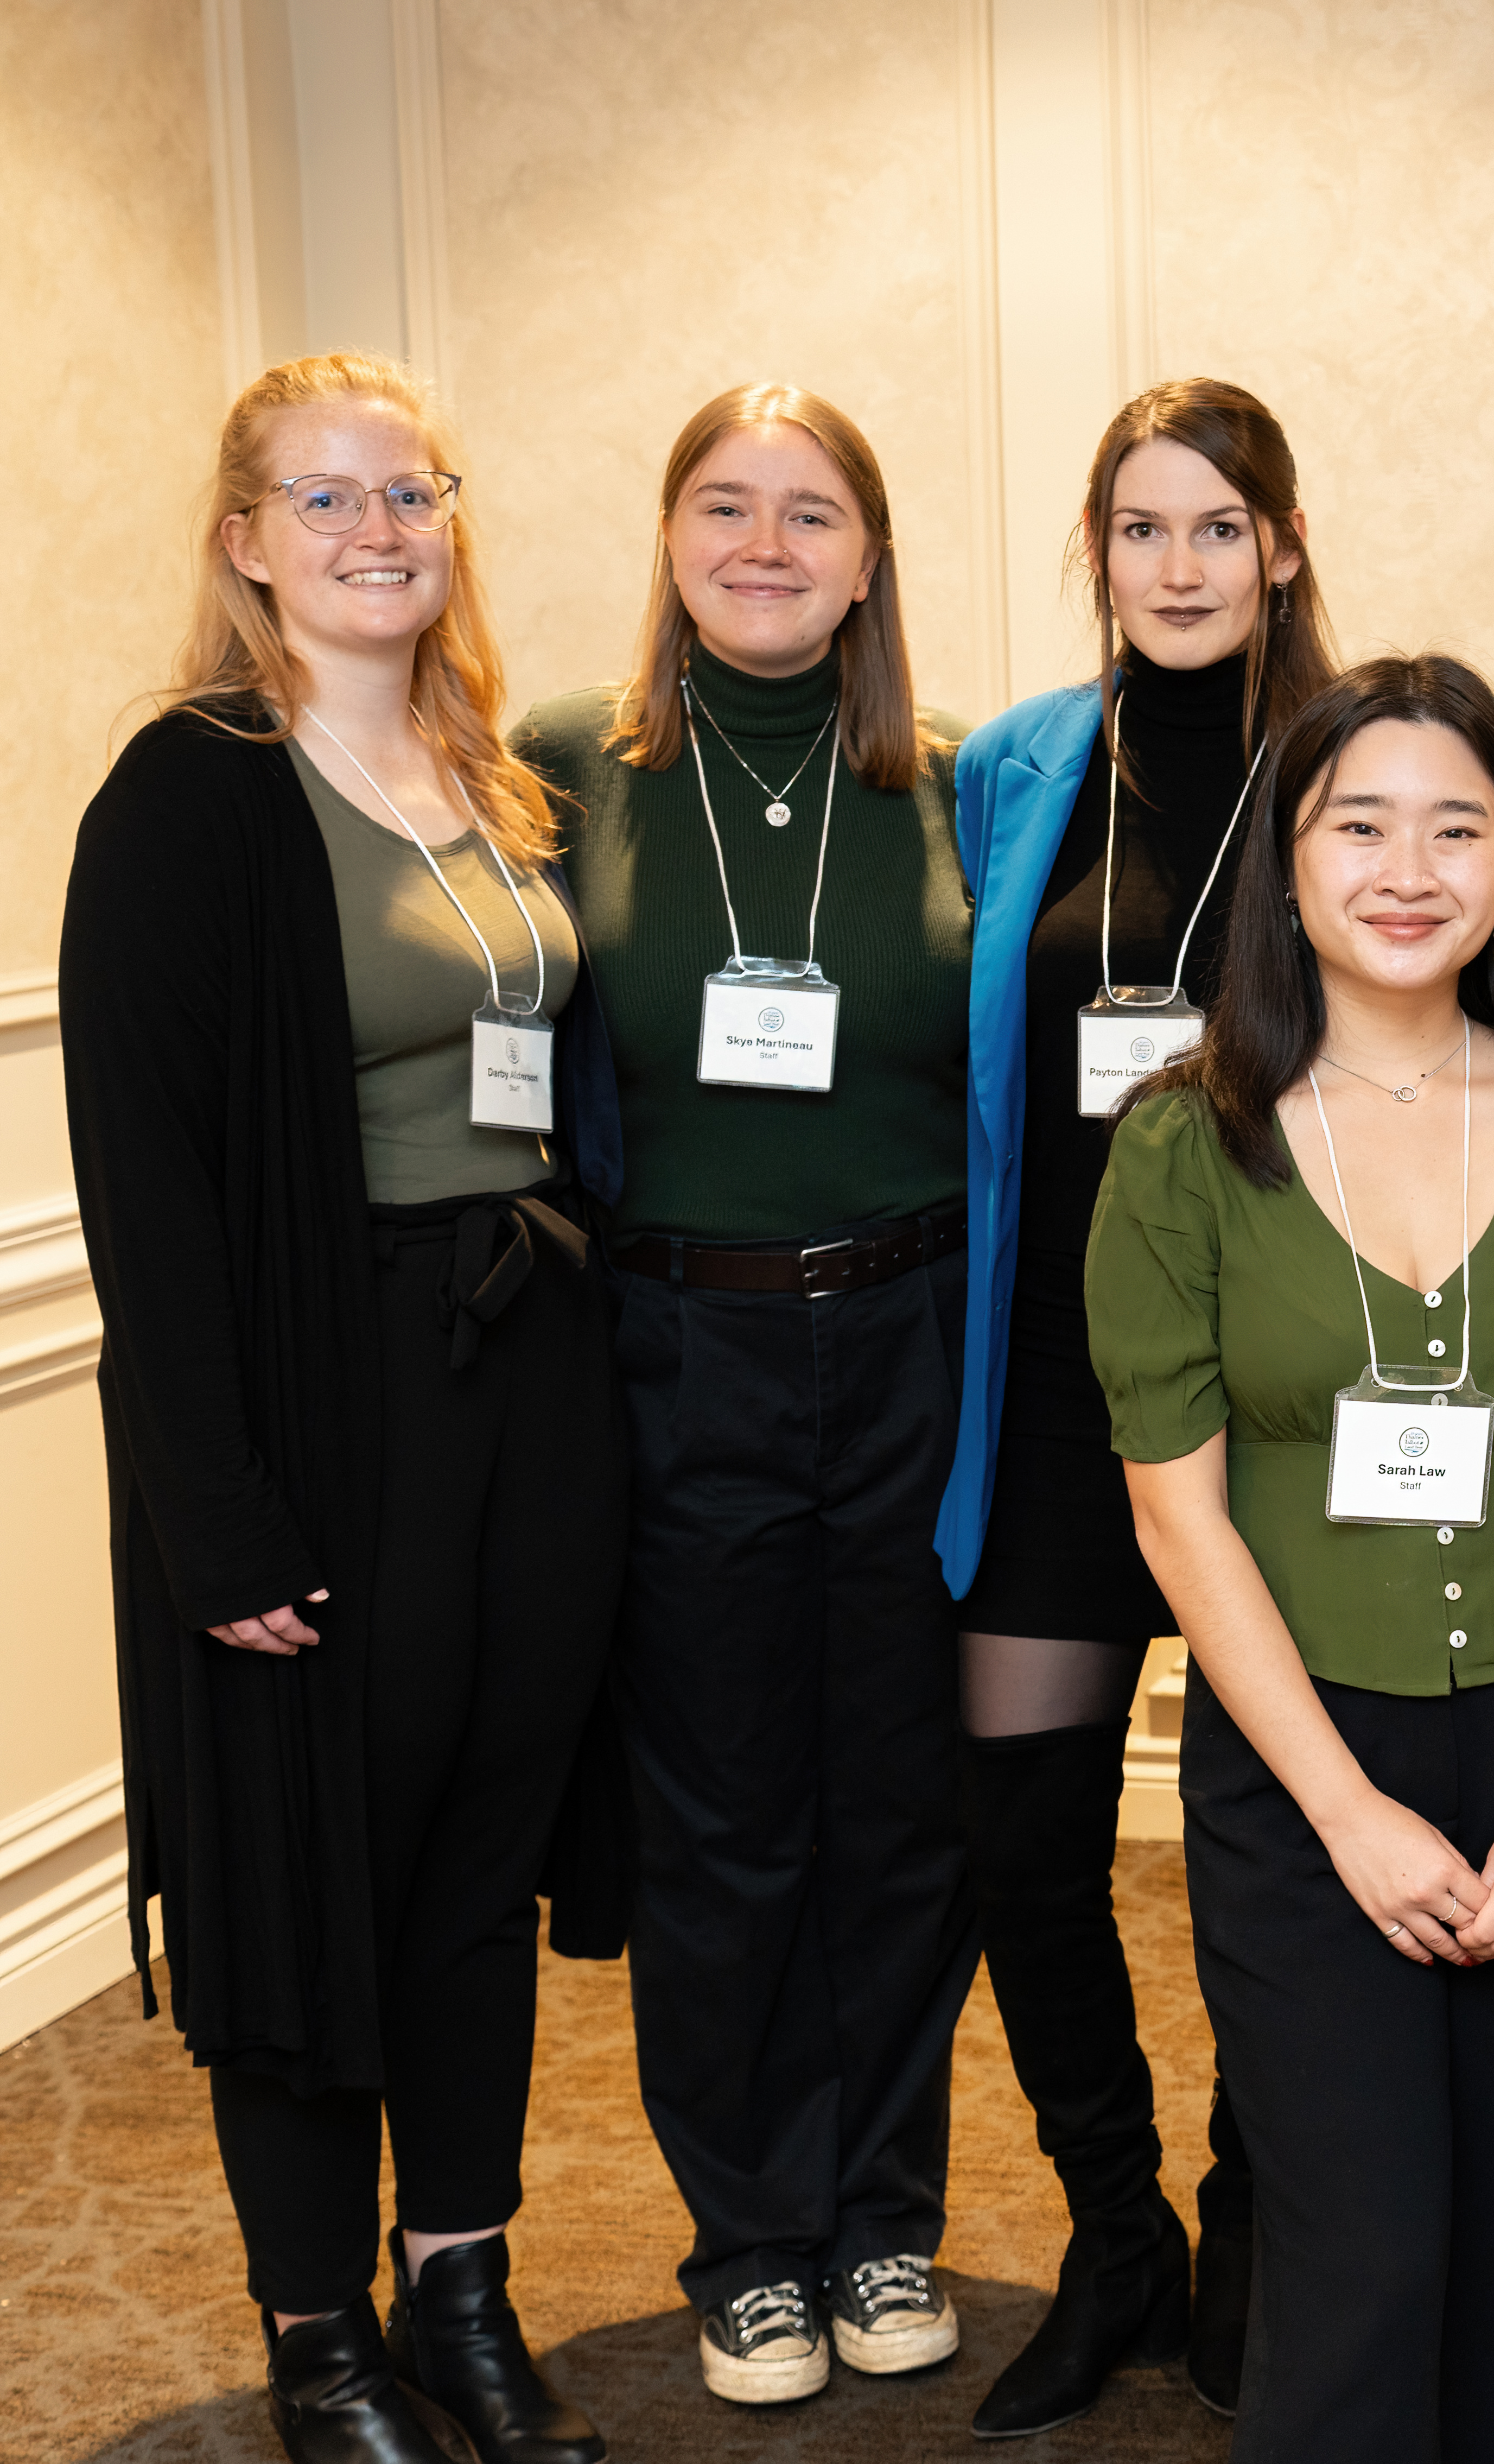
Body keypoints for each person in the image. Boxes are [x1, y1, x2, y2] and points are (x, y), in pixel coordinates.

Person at [65, 351, 624, 2464]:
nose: (379, 531)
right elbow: (155, 1193)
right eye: (325, 501)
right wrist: (216, 1520)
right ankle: (320, 2341)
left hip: (527, 1367)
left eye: (412, 493)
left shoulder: (489, 773)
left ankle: (459, 2283)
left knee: (480, 1847)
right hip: (327, 1392)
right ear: (242, 543)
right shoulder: (192, 795)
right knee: (322, 1863)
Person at [1092, 654, 1494, 2463]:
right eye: (1360, 824)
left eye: (1458, 824)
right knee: (1360, 2259)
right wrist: (1349, 1815)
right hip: (1300, 1771)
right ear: (1288, 862)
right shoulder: (1181, 1146)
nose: (1408, 865)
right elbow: (1174, 1510)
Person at [518, 384, 977, 2406]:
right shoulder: (558, 769)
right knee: (719, 1816)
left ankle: (883, 2217)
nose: (767, 544)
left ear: (871, 556)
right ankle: (754, 2243)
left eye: (813, 513)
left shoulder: (968, 782)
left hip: (919, 1342)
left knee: (901, 1806)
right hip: (675, 1347)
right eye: (727, 505)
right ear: (671, 536)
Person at [932, 377, 1334, 2435]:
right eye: (1135, 528)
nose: (1175, 568)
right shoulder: (1013, 769)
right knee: (1026, 1840)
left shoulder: (1351, 771)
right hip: (1053, 1397)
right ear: (1096, 551)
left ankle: (1255, 2228)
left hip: (1277, 1414)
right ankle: (1115, 2233)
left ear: (1280, 543)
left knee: (1274, 1848)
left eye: (1214, 527)